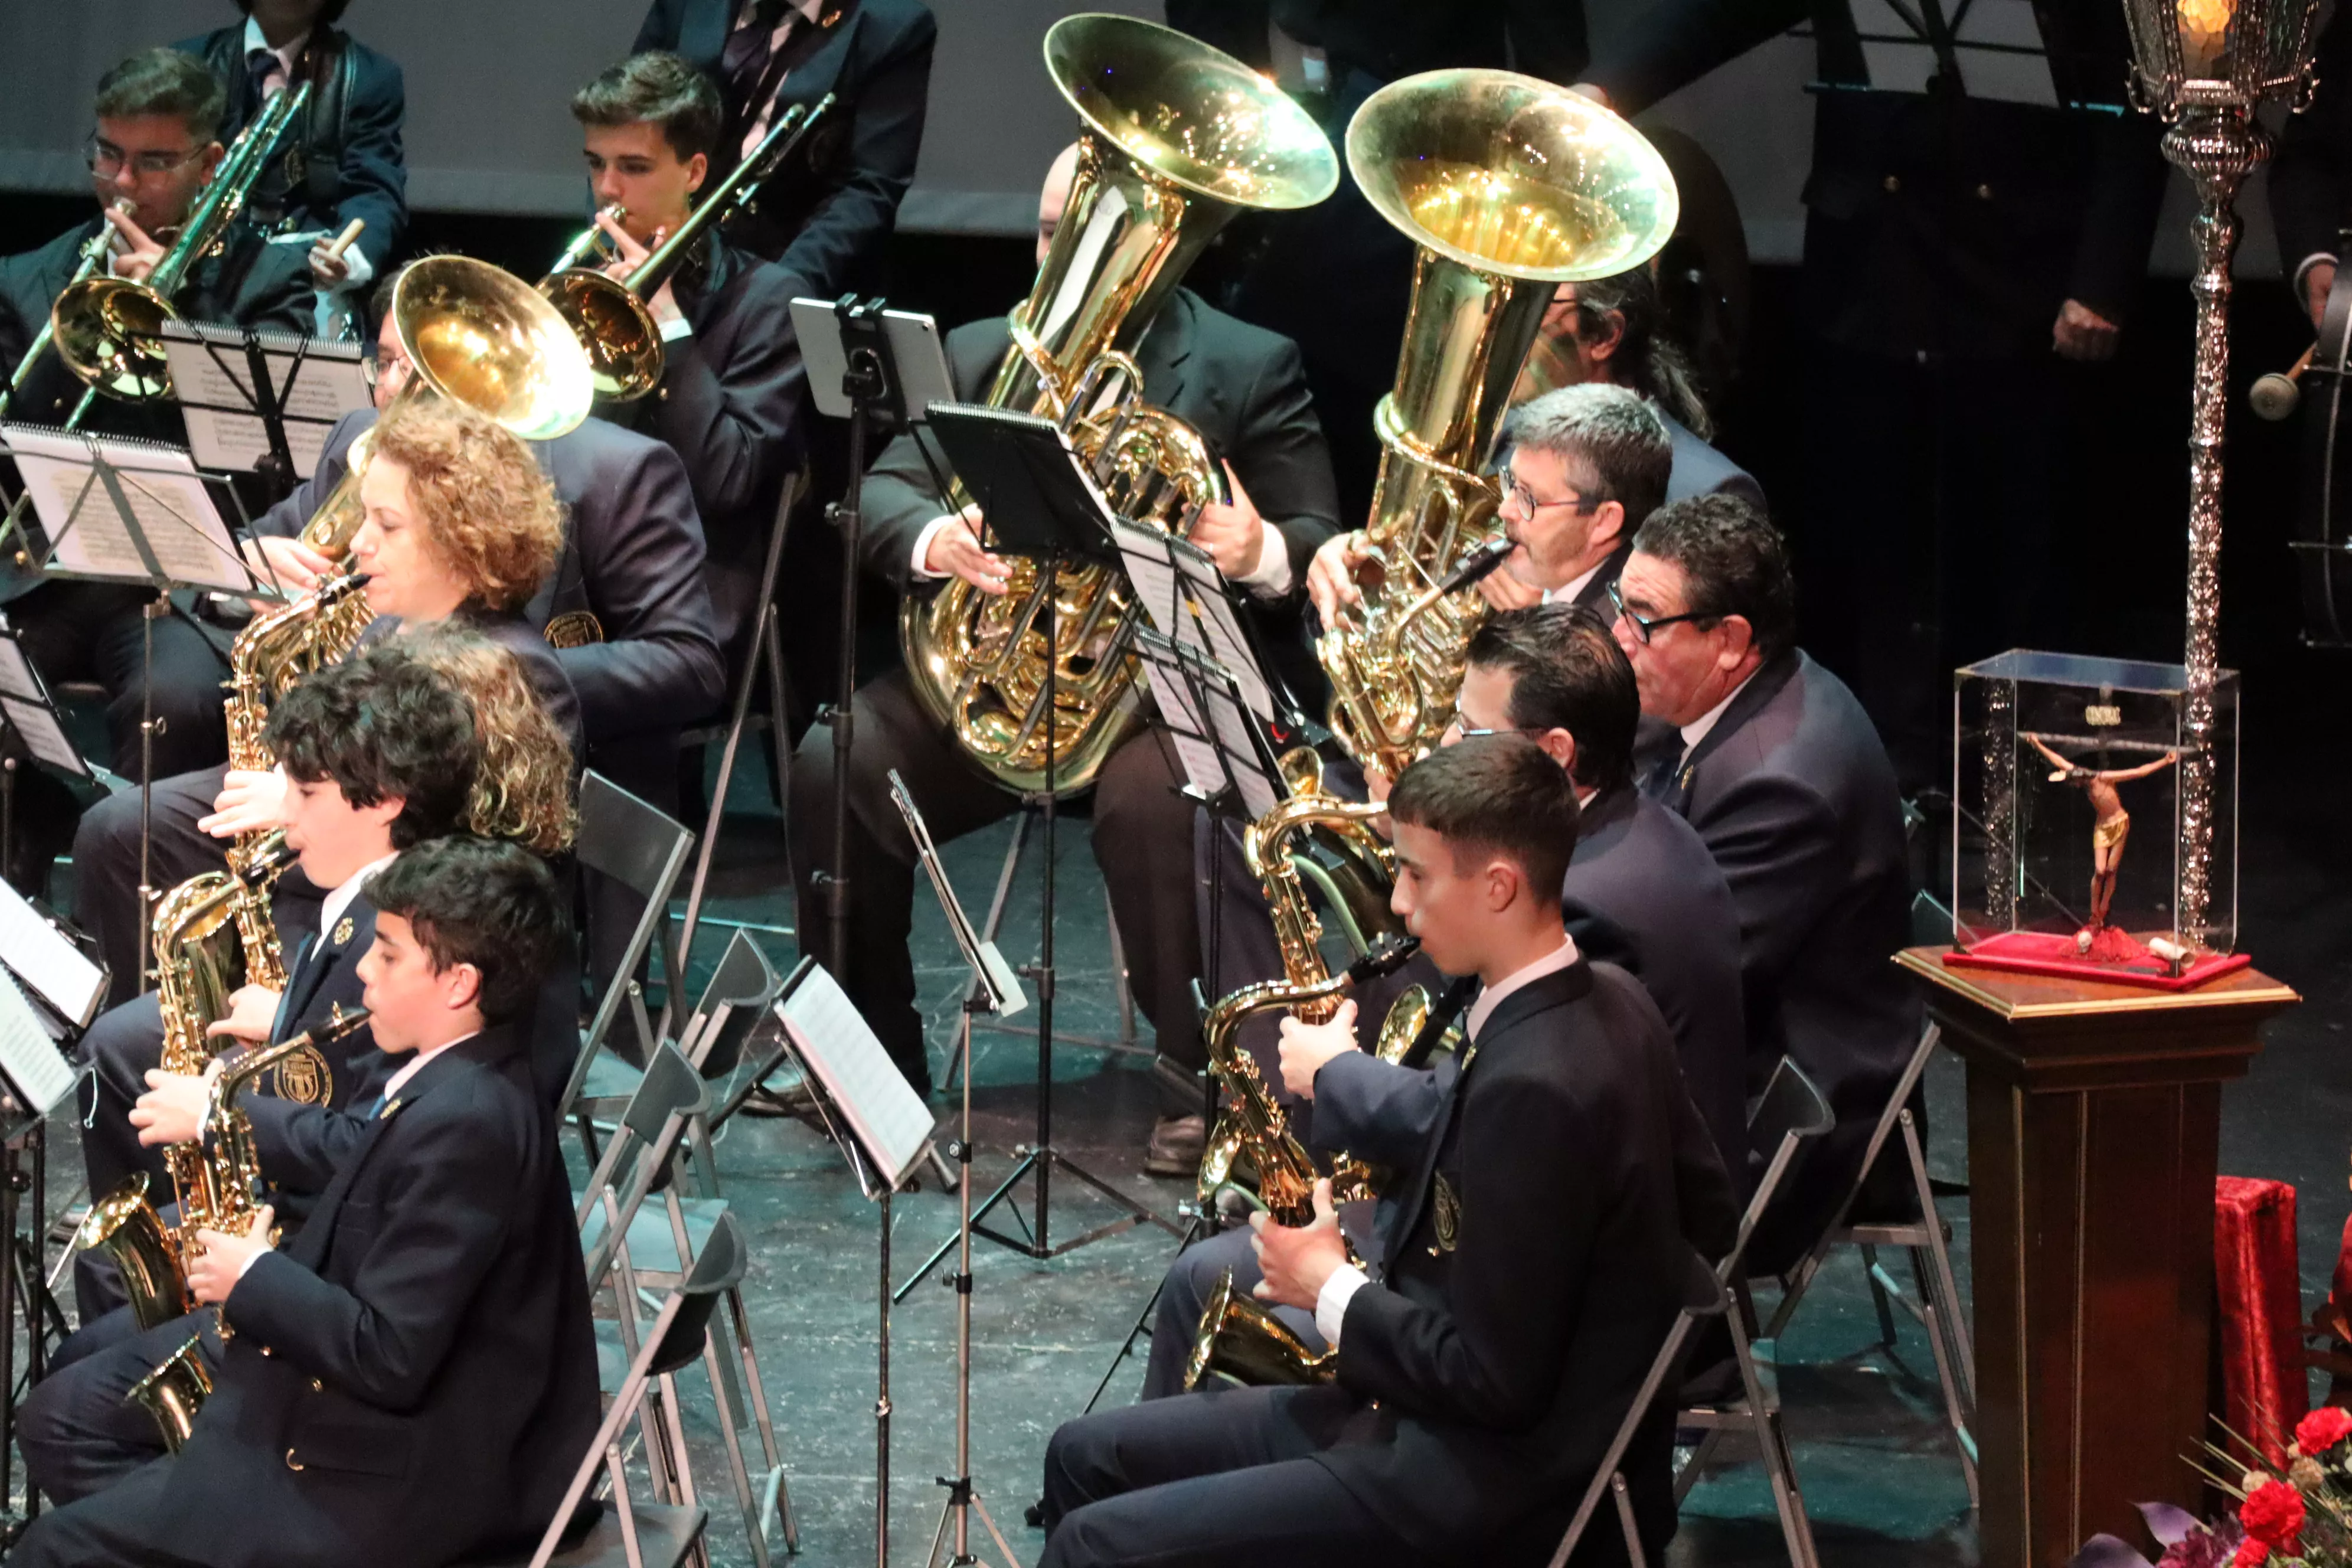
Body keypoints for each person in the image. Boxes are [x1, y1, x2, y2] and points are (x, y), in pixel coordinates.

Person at [1038, 736, 1739, 1568]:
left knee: (1093, 1543)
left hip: (1475, 1486)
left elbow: (1491, 1384)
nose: (1400, 905)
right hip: (1421, 1421)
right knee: (1081, 1455)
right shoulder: (1614, 1000)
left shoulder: (1539, 1084)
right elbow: (1713, 1212)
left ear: (1500, 887)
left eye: (1416, 875)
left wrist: (1325, 1282)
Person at [790, 144, 1342, 1150]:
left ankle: (1203, 1083)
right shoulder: (982, 349)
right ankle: (870, 1062)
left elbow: (1313, 538)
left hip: (1156, 692)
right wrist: (932, 537)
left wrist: (1254, 546)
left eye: (1091, 232)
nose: (1062, 257)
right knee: (841, 758)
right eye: (1053, 231)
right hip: (1001, 677)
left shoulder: (1246, 362)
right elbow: (880, 489)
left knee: (1154, 799)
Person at [1142, 603, 1746, 1397]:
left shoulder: (1590, 900)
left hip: (1571, 1304)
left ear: (1553, 753)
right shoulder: (1626, 835)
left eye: (1468, 731)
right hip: (1557, 1238)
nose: (1445, 747)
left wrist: (1337, 1076)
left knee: (1207, 1280)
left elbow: (1502, 1111)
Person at [1580, 2, 2169, 787]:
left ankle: (2019, 793)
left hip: (2022, 272)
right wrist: (1606, 86)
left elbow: (2139, 85)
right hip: (1874, 261)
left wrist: (2103, 276)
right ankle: (1894, 781)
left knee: (2016, 545)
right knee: (1878, 546)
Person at [12, 836, 600, 1568]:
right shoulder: (451, 1083)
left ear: (459, 984)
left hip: (398, 1485)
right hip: (371, 1430)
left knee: (52, 1548)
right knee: (77, 1439)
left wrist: (254, 1275)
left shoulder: (468, 1123)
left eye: (387, 954)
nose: (362, 971)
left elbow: (388, 1354)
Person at [71, 396, 584, 1005]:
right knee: (120, 831)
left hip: (394, 914)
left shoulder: (515, 671)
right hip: (320, 820)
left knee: (125, 1001)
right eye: (365, 518)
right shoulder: (387, 618)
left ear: (462, 539)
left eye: (387, 526)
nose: (360, 543)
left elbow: (468, 862)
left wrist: (295, 803)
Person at [56, 643, 479, 1333]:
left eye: (304, 793)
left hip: (326, 1257)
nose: (284, 814)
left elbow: (377, 1144)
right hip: (306, 1205)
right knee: (100, 1300)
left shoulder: (397, 945)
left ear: (389, 803)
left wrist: (218, 1113)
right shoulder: (357, 911)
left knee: (65, 1405)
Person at [0, 48, 313, 834]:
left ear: (211, 163)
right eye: (109, 155)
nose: (125, 183)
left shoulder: (269, 283)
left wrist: (173, 335)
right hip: (53, 570)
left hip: (186, 588)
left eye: (154, 162)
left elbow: (274, 463)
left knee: (175, 701)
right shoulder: (30, 278)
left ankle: (144, 912)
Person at [1613, 492, 1919, 1273]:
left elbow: (1680, 978)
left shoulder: (1776, 782)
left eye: (1643, 621)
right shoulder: (1744, 703)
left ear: (1730, 641)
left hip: (1787, 1119)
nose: (1620, 640)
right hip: (1758, 1046)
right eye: (1622, 607)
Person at [567, 50, 811, 671]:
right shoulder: (579, 284)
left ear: (696, 170)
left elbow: (727, 478)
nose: (607, 190)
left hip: (684, 595)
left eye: (634, 167)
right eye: (597, 164)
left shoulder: (769, 301)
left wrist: (669, 328)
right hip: (572, 569)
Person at [1306, 381, 1671, 637]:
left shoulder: (1620, 654)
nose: (1506, 510)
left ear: (1604, 522)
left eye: (1530, 498)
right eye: (1511, 484)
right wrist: (1362, 563)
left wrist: (1536, 628)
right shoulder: (1532, 555)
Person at [632, 0, 937, 296]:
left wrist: (778, 289)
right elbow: (623, 122)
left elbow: (869, 188)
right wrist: (621, 240)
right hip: (659, 255)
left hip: (783, 270)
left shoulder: (893, 25)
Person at [175, 0, 407, 337]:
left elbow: (375, 191)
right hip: (205, 277)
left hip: (311, 289)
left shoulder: (369, 77)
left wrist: (348, 257)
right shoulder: (189, 65)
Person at [1508, 263, 1762, 507]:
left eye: (1538, 304)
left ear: (1605, 335)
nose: (1505, 326)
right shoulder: (1495, 447)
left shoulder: (1705, 492)